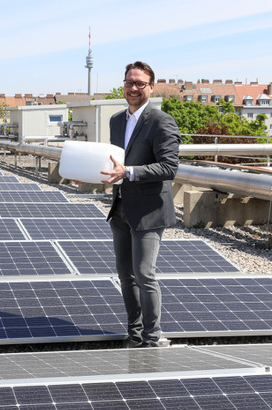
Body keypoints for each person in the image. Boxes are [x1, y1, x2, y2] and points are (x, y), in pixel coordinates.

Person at [101, 61, 181, 348]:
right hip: (120, 207)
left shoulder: (161, 121)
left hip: (148, 211)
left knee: (145, 274)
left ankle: (153, 336)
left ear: (151, 87)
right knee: (125, 276)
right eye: (129, 83)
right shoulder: (115, 121)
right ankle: (134, 334)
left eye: (139, 84)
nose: (133, 88)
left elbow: (169, 168)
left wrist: (130, 173)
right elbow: (114, 162)